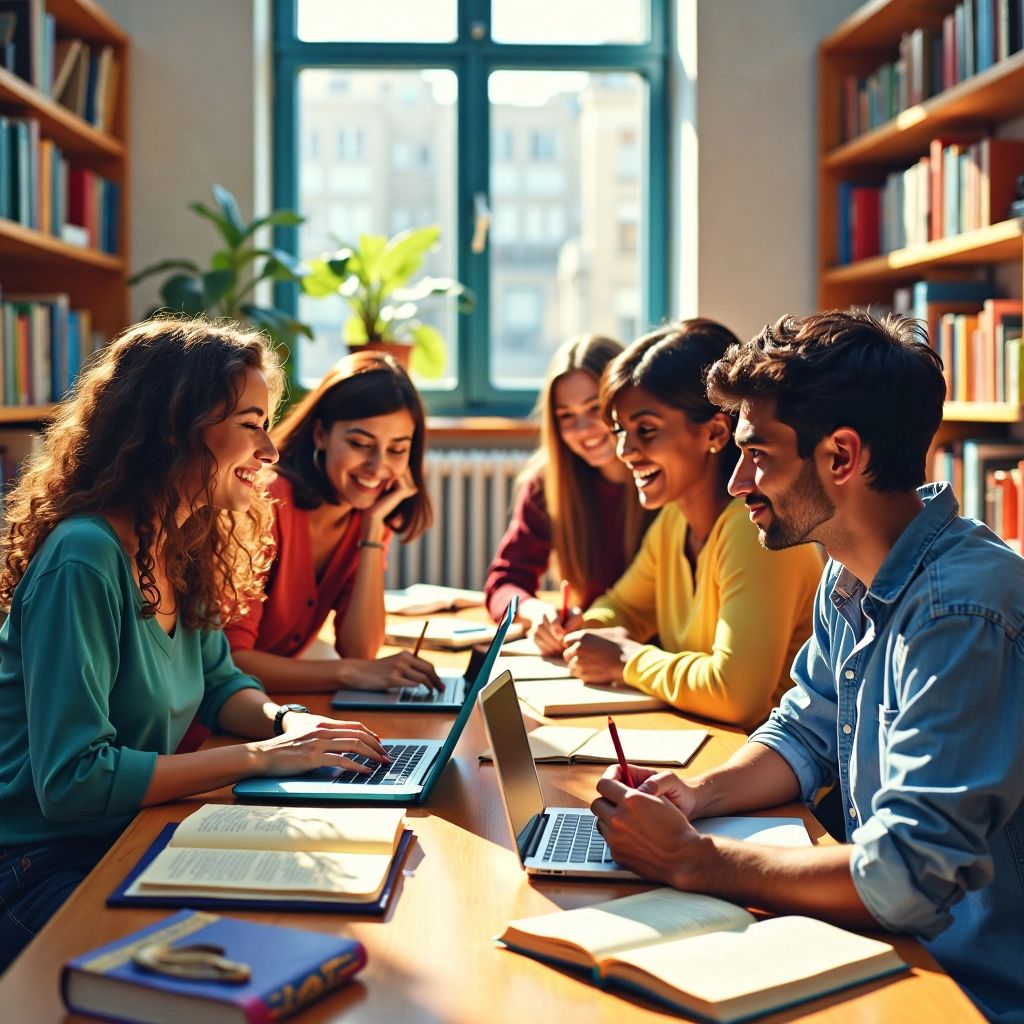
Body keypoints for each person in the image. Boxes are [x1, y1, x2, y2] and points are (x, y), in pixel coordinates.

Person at [591, 310, 1024, 1023]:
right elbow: (806, 731)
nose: (735, 481)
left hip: (967, 991)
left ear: (841, 457)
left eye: (757, 453)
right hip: (892, 951)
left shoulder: (960, 613)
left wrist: (699, 863)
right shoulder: (849, 569)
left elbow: (907, 874)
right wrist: (696, 796)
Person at [0, 319, 389, 971]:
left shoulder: (182, 542)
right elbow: (74, 780)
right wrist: (263, 758)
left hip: (124, 835)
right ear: (175, 429)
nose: (271, 448)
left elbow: (219, 682)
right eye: (251, 422)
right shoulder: (86, 557)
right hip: (37, 866)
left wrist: (291, 723)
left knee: (321, 916)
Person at [549, 320, 822, 729]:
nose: (624, 451)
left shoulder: (759, 531)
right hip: (708, 746)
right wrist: (584, 630)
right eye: (621, 430)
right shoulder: (674, 520)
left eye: (646, 430)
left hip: (778, 776)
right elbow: (624, 606)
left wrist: (624, 658)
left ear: (714, 432)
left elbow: (736, 696)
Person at [226, 352, 441, 695]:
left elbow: (360, 650)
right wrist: (351, 673)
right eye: (359, 444)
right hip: (222, 720)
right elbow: (233, 663)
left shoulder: (368, 514)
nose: (377, 467)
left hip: (274, 706)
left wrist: (372, 531)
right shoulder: (264, 501)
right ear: (321, 434)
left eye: (397, 450)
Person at [484, 335, 654, 643]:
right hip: (589, 645)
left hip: (657, 651)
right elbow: (504, 582)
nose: (583, 430)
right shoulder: (547, 483)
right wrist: (536, 612)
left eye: (594, 408)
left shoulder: (663, 478)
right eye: (566, 416)